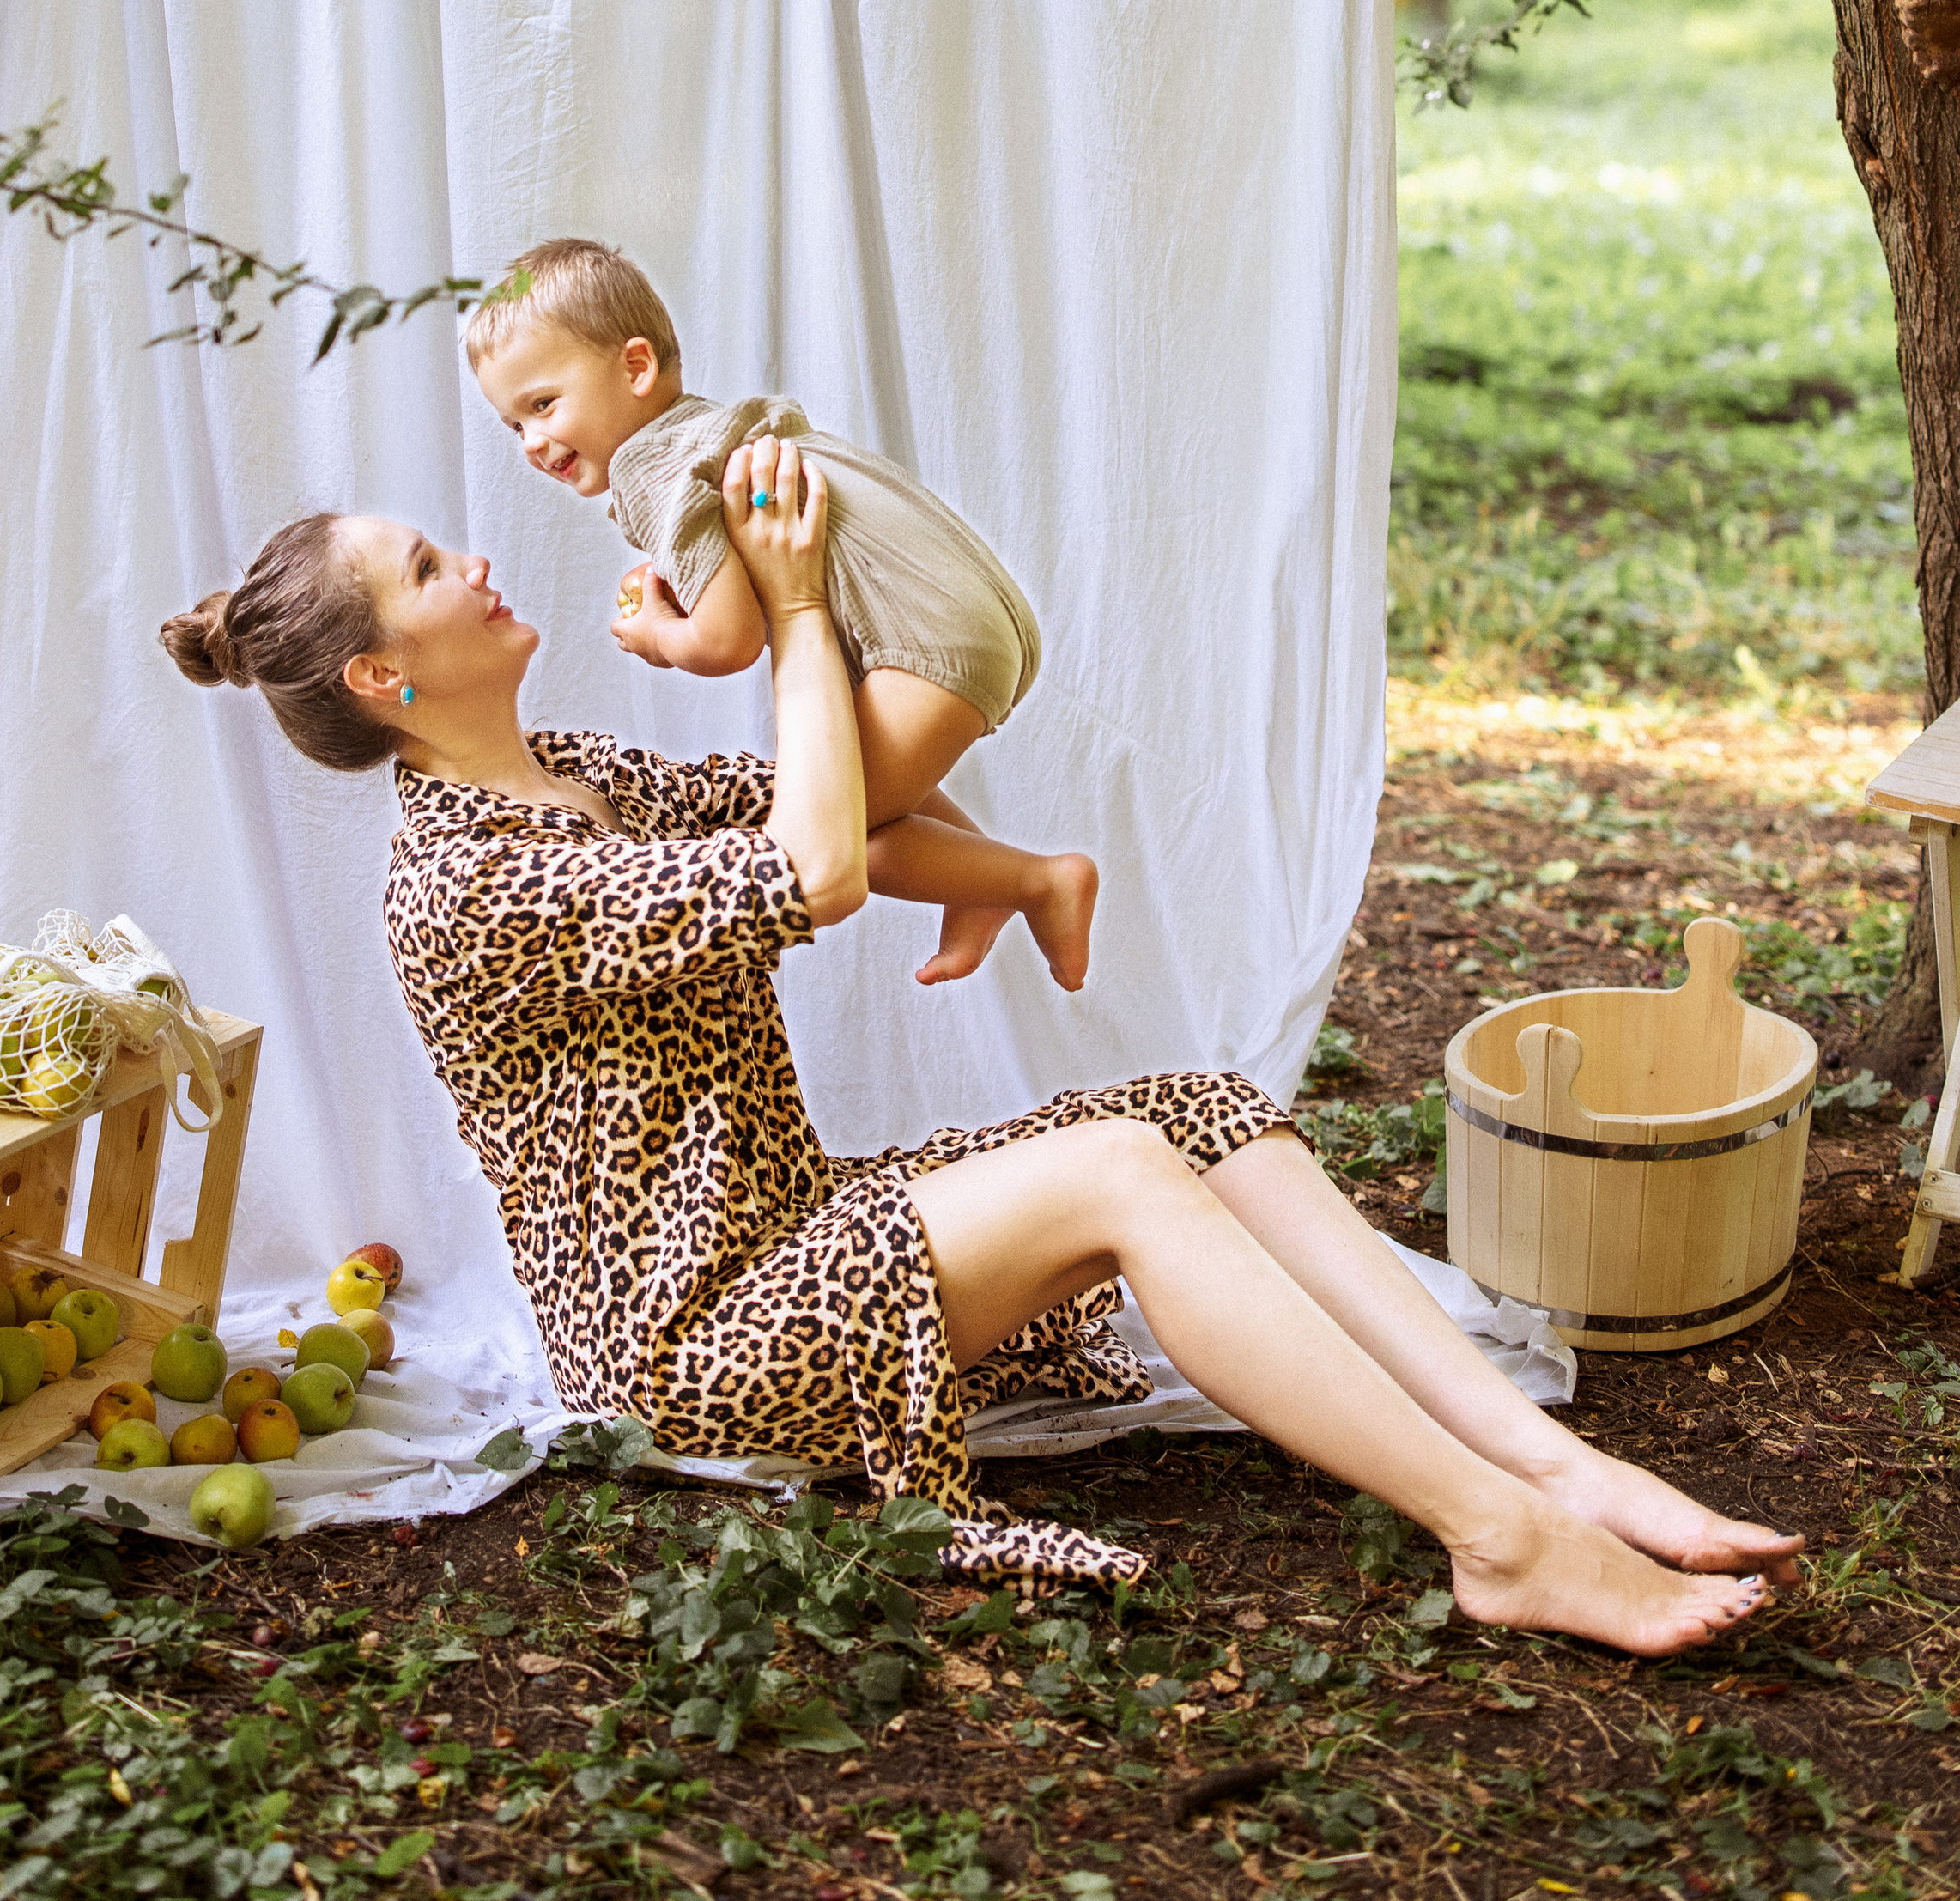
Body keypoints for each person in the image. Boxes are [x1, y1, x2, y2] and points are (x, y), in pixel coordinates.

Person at [161, 440, 1799, 1643]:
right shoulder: (469, 886)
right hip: (697, 1334)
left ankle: (1547, 1462)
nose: (480, 562)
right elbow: (812, 865)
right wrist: (797, 611)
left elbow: (842, 811)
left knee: (1201, 1109)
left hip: (787, 1233)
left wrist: (1011, 865)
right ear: (385, 673)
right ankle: (1498, 1536)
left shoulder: (575, 768)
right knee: (1119, 1173)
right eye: (436, 566)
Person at [464, 234, 1092, 990]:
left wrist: (657, 635)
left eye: (542, 405)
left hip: (929, 643)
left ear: (635, 367)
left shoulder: (651, 469)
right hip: (971, 613)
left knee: (840, 830)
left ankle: (1036, 881)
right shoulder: (709, 430)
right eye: (513, 426)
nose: (532, 442)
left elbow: (730, 640)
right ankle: (979, 884)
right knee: (850, 767)